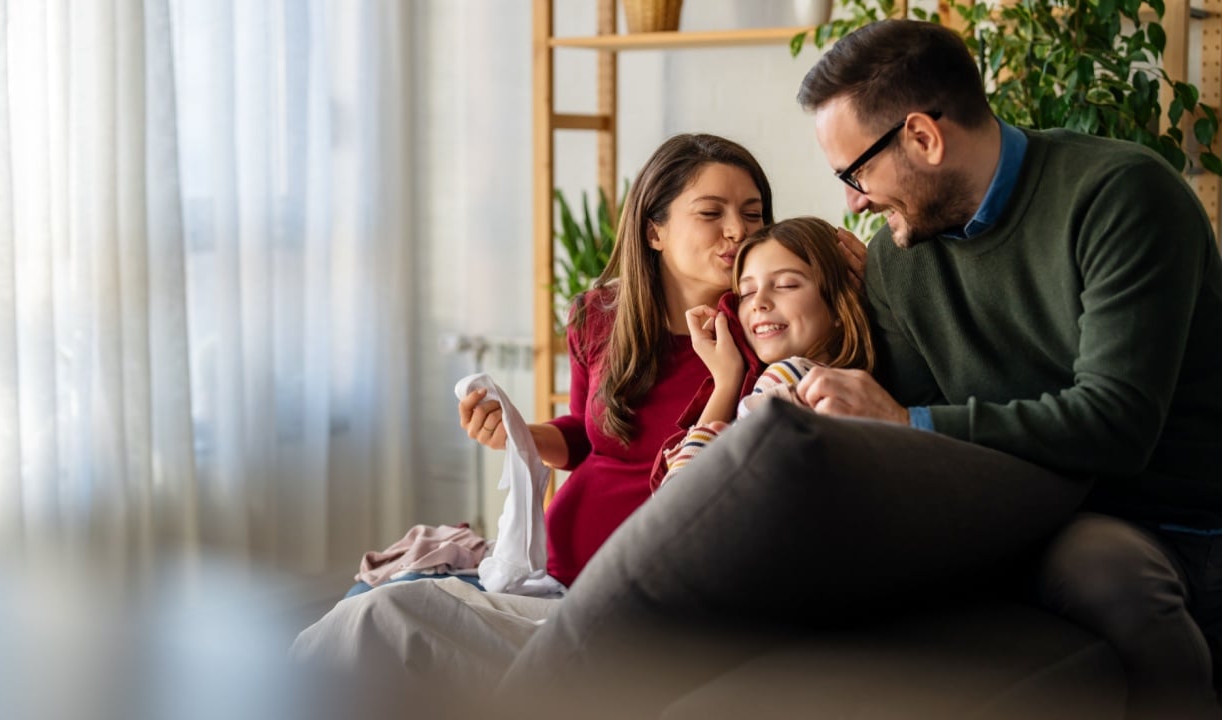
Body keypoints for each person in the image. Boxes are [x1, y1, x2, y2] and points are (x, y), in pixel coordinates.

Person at [501, 20, 1222, 720]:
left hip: (1138, 511)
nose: (852, 200)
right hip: (1006, 505)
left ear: (923, 137)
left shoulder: (1118, 197)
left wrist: (906, 421)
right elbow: (884, 412)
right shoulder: (899, 260)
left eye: (855, 173)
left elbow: (1116, 424)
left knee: (1101, 571)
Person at [291, 132, 775, 686]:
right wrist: (517, 432)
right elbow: (589, 438)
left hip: (633, 598)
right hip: (552, 571)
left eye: (753, 214)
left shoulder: (763, 336)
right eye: (712, 213)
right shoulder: (599, 316)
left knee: (376, 619)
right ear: (653, 231)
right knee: (364, 610)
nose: (738, 230)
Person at [658, 217, 874, 487]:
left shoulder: (788, 377)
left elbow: (679, 496)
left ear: (840, 304)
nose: (758, 302)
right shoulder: (856, 392)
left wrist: (725, 384)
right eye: (746, 293)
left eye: (786, 285)